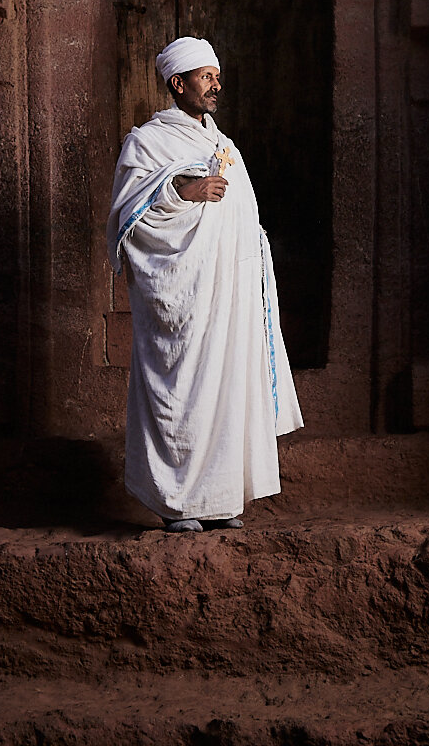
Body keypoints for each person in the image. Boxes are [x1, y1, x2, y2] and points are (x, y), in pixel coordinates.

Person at [107, 35, 303, 532]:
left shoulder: (223, 146)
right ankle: (178, 506)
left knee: (226, 386)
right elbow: (129, 216)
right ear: (178, 83)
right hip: (183, 295)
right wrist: (183, 191)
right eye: (206, 76)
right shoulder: (148, 142)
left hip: (228, 297)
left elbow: (243, 218)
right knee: (184, 392)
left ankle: (218, 501)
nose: (216, 84)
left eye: (216, 75)